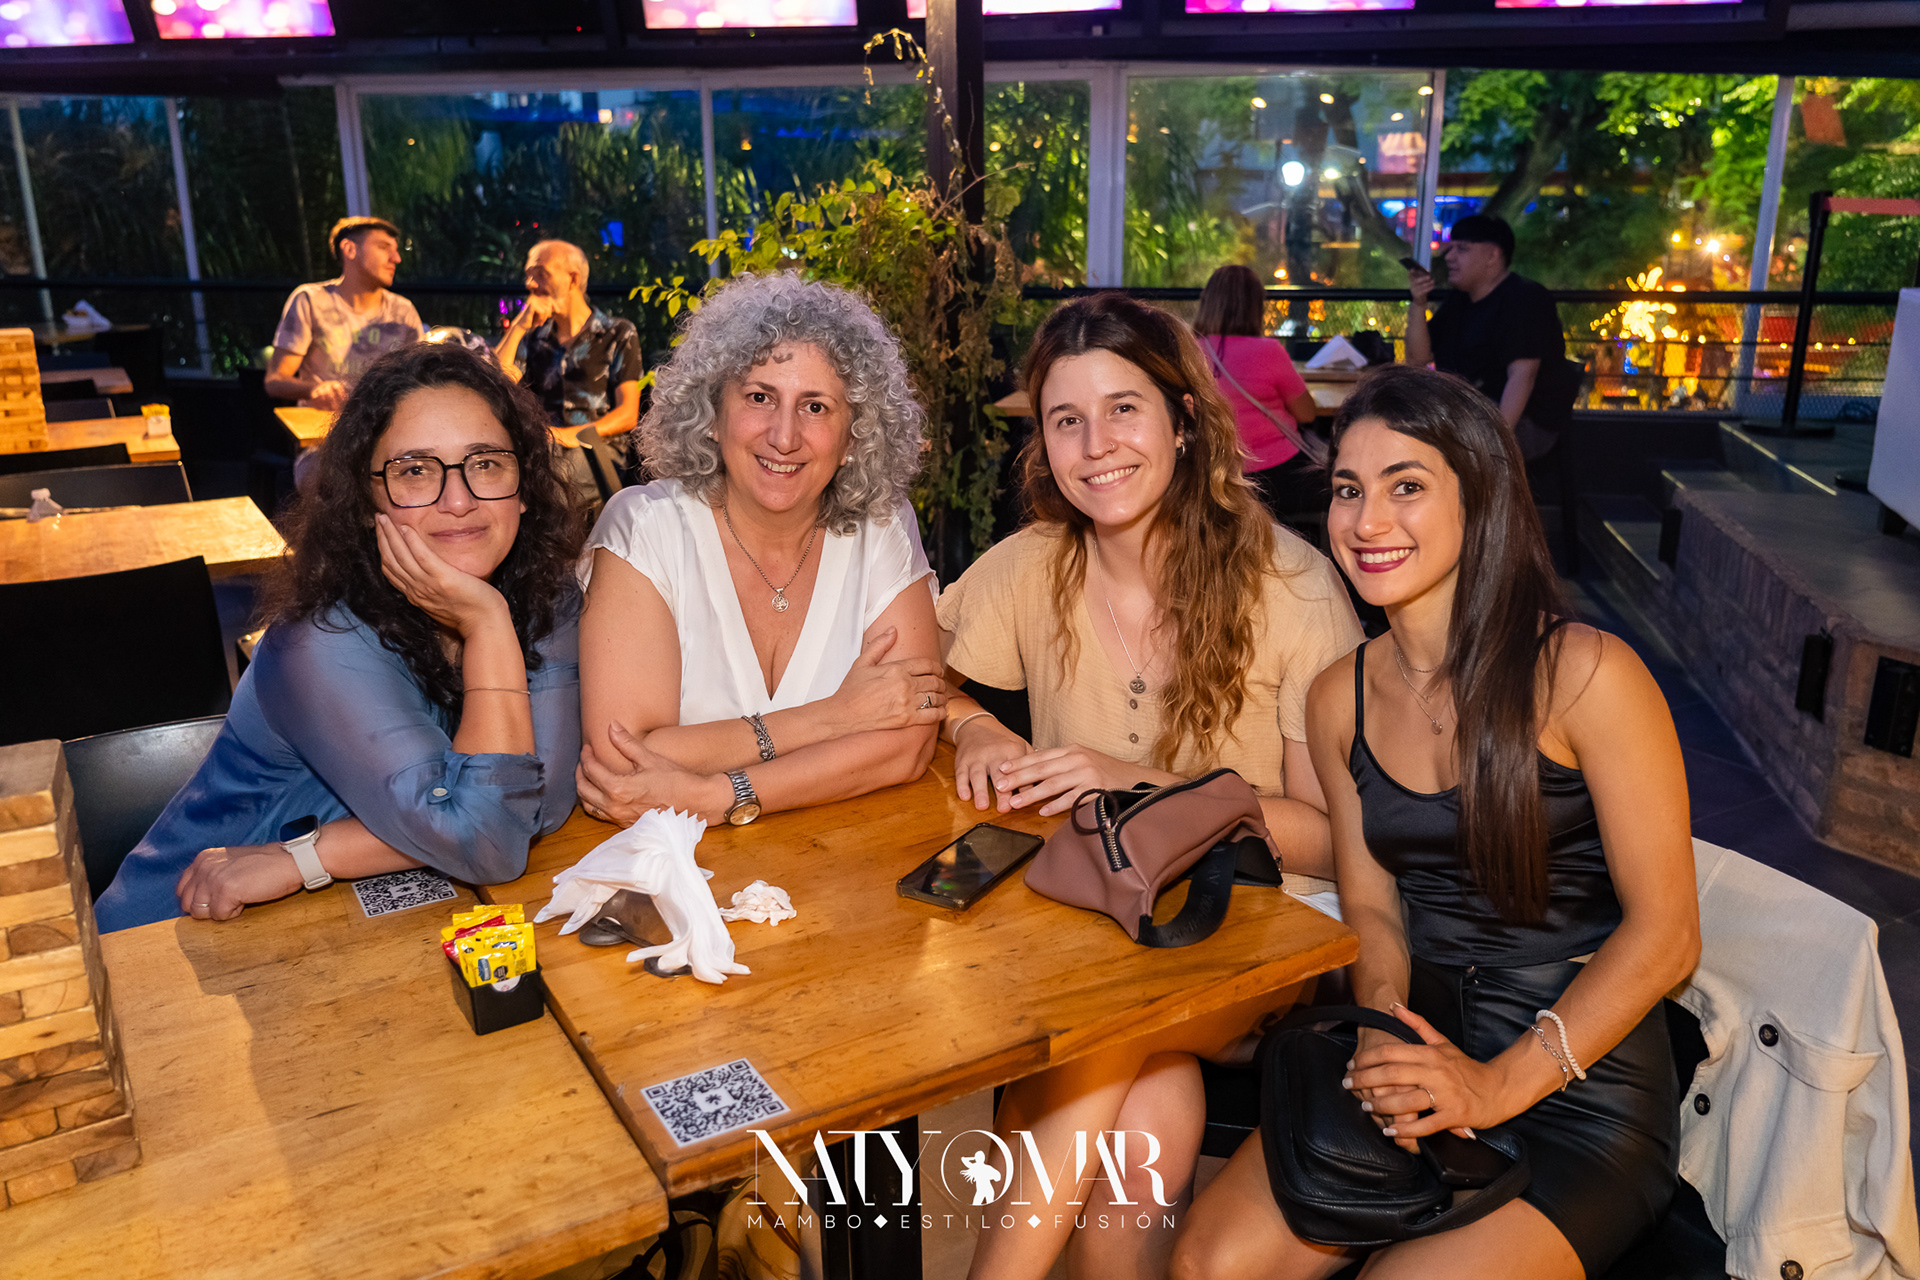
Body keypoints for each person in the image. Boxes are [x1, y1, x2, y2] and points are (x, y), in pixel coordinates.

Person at [1170, 364, 1699, 1280]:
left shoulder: (1586, 674)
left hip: (1577, 1076)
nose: (1366, 521)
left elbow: (1669, 936)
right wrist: (1383, 1026)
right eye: (1348, 490)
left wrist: (1496, 1084)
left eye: (1406, 486)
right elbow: (1372, 906)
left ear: (1479, 498)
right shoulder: (1338, 698)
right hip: (1416, 1041)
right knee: (1206, 1265)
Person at [936, 292, 1364, 1280]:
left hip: (1259, 932)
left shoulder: (1290, 586)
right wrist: (975, 724)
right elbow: (916, 680)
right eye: (1067, 419)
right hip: (1094, 922)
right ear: (1043, 442)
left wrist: (1138, 782)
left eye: (1124, 408)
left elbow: (1333, 837)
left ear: (1182, 419)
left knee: (1098, 1036)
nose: (1097, 445)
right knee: (1151, 1094)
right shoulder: (1033, 565)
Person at [95, 343, 586, 932]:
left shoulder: (544, 597)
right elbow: (491, 837)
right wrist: (486, 623)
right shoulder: (320, 641)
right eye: (414, 471)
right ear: (364, 499)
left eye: (485, 464)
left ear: (524, 485)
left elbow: (535, 805)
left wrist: (312, 854)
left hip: (346, 925)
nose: (459, 500)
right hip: (174, 937)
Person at [570, 271, 944, 828]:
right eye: (760, 397)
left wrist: (722, 795)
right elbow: (621, 762)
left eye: (816, 407)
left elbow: (908, 743)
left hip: (845, 855)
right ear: (711, 414)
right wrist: (834, 718)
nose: (784, 436)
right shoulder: (645, 529)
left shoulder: (881, 527)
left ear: (854, 438)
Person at [1403, 214, 1569, 461]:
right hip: (1468, 412)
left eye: (1462, 249)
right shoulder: (1460, 301)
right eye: (1450, 248)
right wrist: (1418, 303)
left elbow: (1523, 376)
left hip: (1522, 422)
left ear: (1492, 255)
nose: (1449, 257)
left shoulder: (1525, 299)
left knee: (1429, 446)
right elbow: (1417, 359)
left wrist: (1496, 444)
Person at [1192, 263, 1323, 520]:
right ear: (1256, 306)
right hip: (1277, 474)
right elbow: (1307, 414)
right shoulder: (1269, 351)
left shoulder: (1189, 351)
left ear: (1207, 302)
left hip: (1212, 473)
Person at [495, 240, 645, 455]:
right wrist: (518, 328)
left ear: (573, 279)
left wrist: (567, 436)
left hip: (599, 452)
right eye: (528, 275)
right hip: (544, 450)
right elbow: (496, 385)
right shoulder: (533, 336)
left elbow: (628, 414)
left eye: (541, 274)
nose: (530, 283)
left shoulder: (618, 332)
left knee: (562, 465)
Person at [266, 216, 423, 410]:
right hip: (322, 425)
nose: (396, 258)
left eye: (396, 250)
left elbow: (421, 380)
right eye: (383, 247)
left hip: (382, 425)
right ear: (350, 249)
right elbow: (275, 381)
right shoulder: (310, 300)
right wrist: (314, 389)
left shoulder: (403, 311)